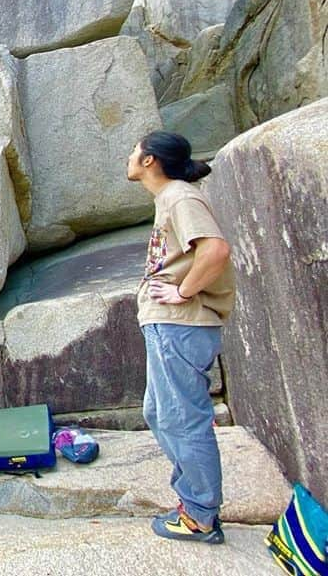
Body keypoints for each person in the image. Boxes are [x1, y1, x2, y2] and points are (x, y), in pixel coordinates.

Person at [127, 131, 237, 544]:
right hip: (171, 325)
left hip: (181, 323)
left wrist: (182, 291)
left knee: (182, 418)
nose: (130, 157)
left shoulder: (180, 197)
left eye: (135, 151)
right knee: (160, 412)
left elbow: (216, 251)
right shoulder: (169, 198)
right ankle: (194, 501)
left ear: (151, 160)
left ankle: (200, 514)